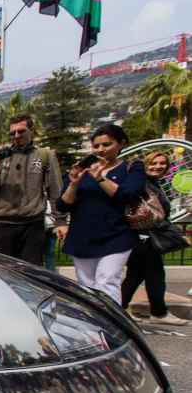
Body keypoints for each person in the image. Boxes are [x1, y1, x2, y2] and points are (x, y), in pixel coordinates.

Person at [57, 124, 146, 303]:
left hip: (116, 236)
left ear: (121, 144)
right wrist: (74, 183)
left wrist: (99, 178)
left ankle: (112, 327)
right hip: (82, 237)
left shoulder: (132, 168)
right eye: (96, 146)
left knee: (107, 282)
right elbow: (63, 204)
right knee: (87, 286)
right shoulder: (83, 170)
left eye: (107, 144)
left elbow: (126, 195)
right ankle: (93, 326)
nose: (100, 150)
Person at [0, 114, 65, 266]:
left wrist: (60, 221)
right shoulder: (1, 157)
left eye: (21, 131)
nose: (16, 136)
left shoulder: (44, 155)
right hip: (1, 224)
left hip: (31, 225)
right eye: (12, 133)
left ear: (31, 131)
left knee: (30, 276)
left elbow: (55, 190)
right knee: (1, 274)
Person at [121, 151, 186, 326]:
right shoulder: (142, 184)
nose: (158, 166)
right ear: (145, 164)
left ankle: (121, 308)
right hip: (143, 235)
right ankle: (159, 312)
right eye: (153, 163)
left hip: (145, 235)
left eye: (162, 163)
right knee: (154, 275)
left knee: (136, 275)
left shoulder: (154, 184)